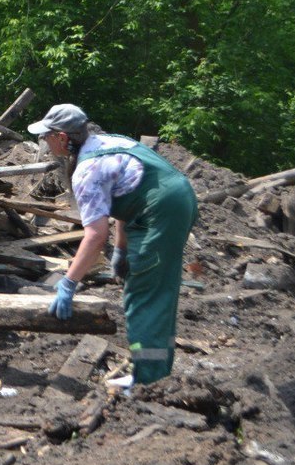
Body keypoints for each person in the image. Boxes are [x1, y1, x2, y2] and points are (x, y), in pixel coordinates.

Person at [29, 104, 197, 385]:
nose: (45, 144)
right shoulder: (109, 142)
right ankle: (155, 375)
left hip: (162, 212)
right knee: (154, 289)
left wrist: (69, 283)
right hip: (171, 201)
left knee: (145, 294)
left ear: (61, 137)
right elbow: (125, 200)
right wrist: (121, 250)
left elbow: (95, 235)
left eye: (46, 137)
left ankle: (148, 382)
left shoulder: (87, 171)